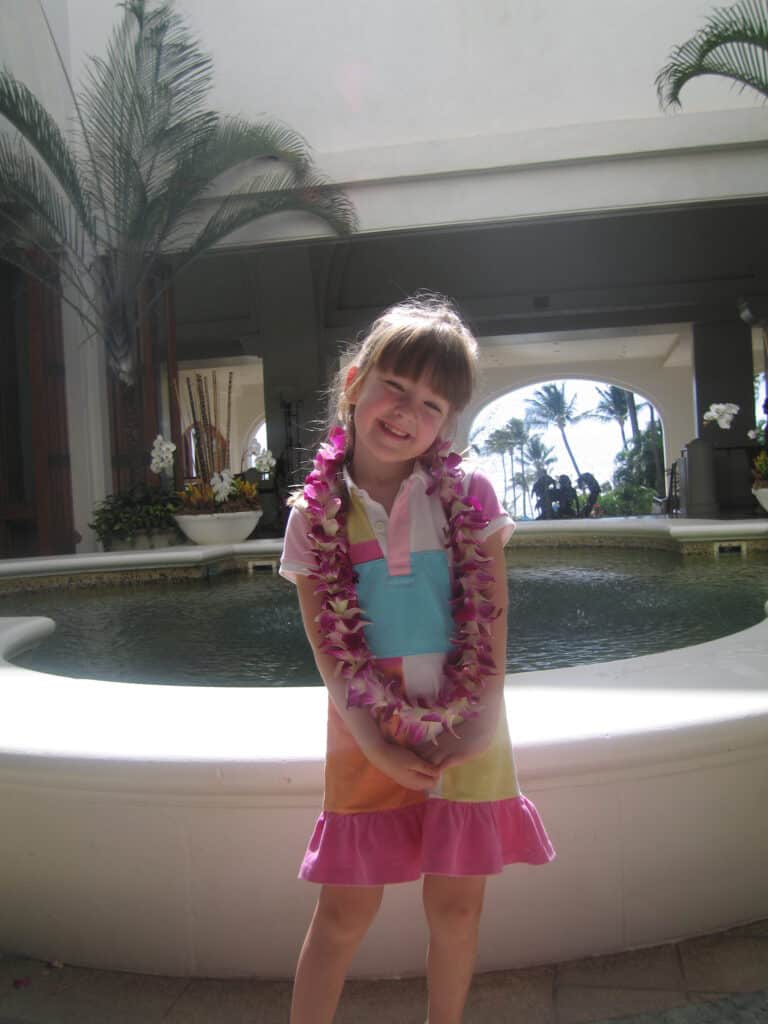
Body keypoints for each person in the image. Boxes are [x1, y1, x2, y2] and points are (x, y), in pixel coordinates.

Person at [280, 295, 555, 1024]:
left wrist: (476, 725)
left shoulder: (469, 496)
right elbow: (326, 652)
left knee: (457, 907)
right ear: (353, 383)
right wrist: (373, 738)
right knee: (343, 914)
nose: (407, 413)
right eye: (395, 388)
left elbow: (492, 626)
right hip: (365, 724)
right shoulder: (315, 516)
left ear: (448, 422)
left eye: (431, 404)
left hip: (468, 721)